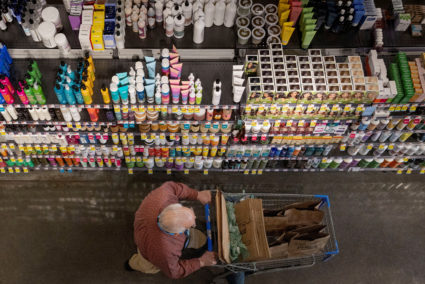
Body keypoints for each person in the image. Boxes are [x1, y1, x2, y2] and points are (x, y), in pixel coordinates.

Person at [126, 181, 217, 279]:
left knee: (199, 239)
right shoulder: (164, 252)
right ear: (177, 234)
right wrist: (201, 262)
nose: (195, 216)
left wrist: (198, 194)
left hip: (143, 228)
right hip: (148, 251)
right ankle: (131, 264)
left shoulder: (162, 196)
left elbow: (174, 188)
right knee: (146, 265)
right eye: (190, 225)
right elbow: (175, 272)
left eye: (190, 210)